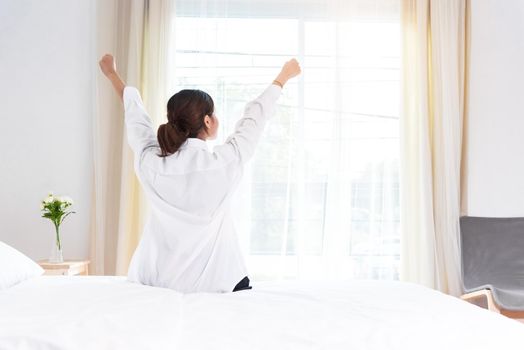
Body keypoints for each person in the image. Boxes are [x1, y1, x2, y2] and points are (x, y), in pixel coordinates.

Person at [99, 54, 301, 293]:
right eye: (213, 114)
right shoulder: (226, 162)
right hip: (219, 282)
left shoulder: (150, 162)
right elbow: (254, 118)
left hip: (156, 280)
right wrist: (283, 77)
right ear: (207, 121)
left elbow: (135, 116)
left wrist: (112, 74)